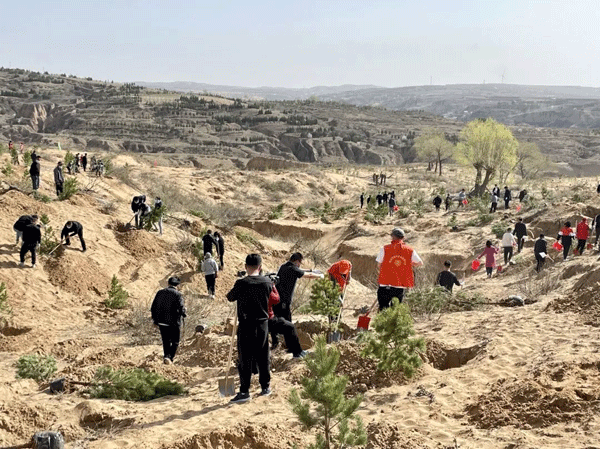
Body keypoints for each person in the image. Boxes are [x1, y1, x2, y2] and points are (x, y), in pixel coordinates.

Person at [227, 254, 274, 403]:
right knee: (263, 355)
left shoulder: (242, 283)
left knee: (245, 358)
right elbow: (274, 299)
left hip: (246, 324)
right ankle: (265, 387)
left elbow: (230, 297)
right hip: (262, 324)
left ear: (246, 266)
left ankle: (244, 391)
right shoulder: (267, 282)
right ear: (260, 267)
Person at [376, 228, 423, 310]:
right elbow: (420, 263)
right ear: (403, 237)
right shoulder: (410, 250)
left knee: (383, 309)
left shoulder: (384, 249)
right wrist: (409, 264)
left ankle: (383, 323)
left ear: (392, 237)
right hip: (399, 286)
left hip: (385, 284)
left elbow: (379, 264)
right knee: (395, 310)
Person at [273, 253, 322, 323]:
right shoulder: (293, 269)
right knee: (287, 324)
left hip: (277, 298)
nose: (299, 265)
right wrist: (320, 276)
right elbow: (309, 275)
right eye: (300, 263)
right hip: (284, 301)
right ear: (297, 261)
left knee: (277, 320)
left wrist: (311, 270)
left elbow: (299, 270)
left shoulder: (283, 266)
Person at [151, 276, 186, 365]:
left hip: (161, 321)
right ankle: (170, 357)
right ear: (178, 285)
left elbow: (153, 307)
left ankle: (166, 356)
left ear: (168, 283)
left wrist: (155, 320)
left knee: (166, 340)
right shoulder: (178, 294)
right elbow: (181, 307)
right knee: (175, 341)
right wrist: (184, 313)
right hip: (174, 322)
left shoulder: (160, 292)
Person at [268, 283, 306, 358]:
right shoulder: (265, 285)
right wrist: (273, 287)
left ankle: (276, 345)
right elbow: (276, 299)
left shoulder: (244, 285)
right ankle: (297, 352)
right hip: (267, 319)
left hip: (251, 321)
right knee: (290, 327)